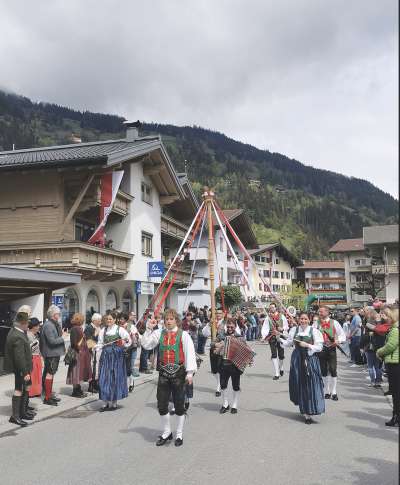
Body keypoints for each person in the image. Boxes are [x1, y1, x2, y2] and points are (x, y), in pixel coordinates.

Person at [141, 309, 196, 447]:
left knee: (179, 405)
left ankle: (179, 434)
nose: (168, 321)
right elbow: (146, 344)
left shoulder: (184, 335)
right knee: (161, 404)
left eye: (171, 319)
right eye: (166, 319)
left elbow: (190, 353)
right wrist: (148, 329)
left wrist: (190, 373)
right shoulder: (159, 333)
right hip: (164, 374)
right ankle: (167, 432)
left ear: (176, 320)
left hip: (179, 374)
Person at [280, 312, 325, 424]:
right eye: (301, 319)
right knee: (300, 384)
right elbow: (288, 343)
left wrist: (308, 345)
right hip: (297, 359)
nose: (303, 321)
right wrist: (279, 338)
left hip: (310, 359)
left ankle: (312, 408)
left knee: (312, 384)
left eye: (305, 319)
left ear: (309, 320)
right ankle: (306, 413)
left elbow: (319, 347)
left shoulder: (314, 331)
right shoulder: (294, 330)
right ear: (299, 319)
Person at [213, 318, 253, 414]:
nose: (230, 328)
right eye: (228, 326)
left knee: (236, 386)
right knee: (223, 385)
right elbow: (212, 344)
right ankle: (225, 404)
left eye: (232, 326)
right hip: (223, 364)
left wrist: (249, 359)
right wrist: (219, 344)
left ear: (235, 327)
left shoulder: (239, 337)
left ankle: (234, 404)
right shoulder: (222, 335)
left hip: (235, 365)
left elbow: (247, 350)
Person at [4, 312, 34, 427]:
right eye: (27, 323)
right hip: (21, 368)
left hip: (24, 366)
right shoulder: (17, 335)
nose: (28, 325)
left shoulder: (18, 331)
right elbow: (19, 356)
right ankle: (15, 416)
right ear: (22, 323)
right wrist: (25, 372)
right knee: (18, 389)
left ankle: (23, 412)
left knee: (27, 387)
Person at [97, 312, 131, 411]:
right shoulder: (103, 331)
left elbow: (128, 341)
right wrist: (97, 347)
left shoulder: (120, 330)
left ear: (115, 320)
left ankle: (114, 403)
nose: (109, 321)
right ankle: (105, 403)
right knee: (104, 378)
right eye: (107, 319)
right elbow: (100, 343)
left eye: (110, 319)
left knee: (115, 378)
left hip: (117, 357)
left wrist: (125, 342)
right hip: (106, 357)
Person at [313, 306, 346, 401]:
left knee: (333, 369)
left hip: (331, 348)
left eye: (321, 312)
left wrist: (337, 340)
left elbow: (342, 335)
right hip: (321, 349)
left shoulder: (334, 322)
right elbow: (312, 334)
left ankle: (334, 391)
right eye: (319, 312)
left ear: (327, 312)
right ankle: (326, 391)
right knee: (323, 370)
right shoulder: (316, 324)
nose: (320, 313)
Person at [376, 306, 399, 427]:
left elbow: (390, 345)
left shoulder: (395, 330)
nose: (386, 319)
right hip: (394, 362)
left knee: (396, 393)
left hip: (395, 364)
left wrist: (379, 351)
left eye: (388, 316)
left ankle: (396, 417)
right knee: (396, 393)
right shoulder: (394, 329)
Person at [40, 305, 66, 406]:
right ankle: (47, 397)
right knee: (49, 374)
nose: (59, 315)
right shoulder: (48, 325)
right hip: (51, 353)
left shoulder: (53, 324)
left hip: (53, 353)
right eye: (58, 314)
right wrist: (63, 337)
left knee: (50, 373)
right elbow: (52, 341)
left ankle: (49, 395)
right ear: (53, 315)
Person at [66, 313, 92, 397]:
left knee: (79, 372)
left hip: (80, 353)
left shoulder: (78, 328)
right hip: (77, 354)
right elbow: (74, 342)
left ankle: (78, 389)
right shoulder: (75, 328)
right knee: (75, 372)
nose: (83, 320)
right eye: (82, 319)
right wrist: (79, 350)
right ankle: (75, 391)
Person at [261, 303, 288, 380]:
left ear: (275, 308)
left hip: (280, 336)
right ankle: (277, 373)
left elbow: (286, 326)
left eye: (273, 307)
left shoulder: (281, 316)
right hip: (272, 337)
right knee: (274, 355)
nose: (271, 309)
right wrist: (263, 337)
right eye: (270, 308)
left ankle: (281, 367)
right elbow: (265, 328)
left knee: (281, 355)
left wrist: (282, 329)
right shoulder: (268, 318)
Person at [202, 308, 226, 396]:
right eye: (216, 313)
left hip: (222, 348)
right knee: (214, 370)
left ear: (223, 314)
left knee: (220, 368)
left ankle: (218, 387)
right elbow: (205, 333)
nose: (218, 315)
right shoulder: (212, 323)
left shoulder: (226, 323)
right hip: (212, 348)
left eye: (220, 313)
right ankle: (219, 382)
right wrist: (209, 324)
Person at [361, 307, 385, 388]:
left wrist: (362, 346)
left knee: (371, 366)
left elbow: (365, 337)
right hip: (379, 346)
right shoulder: (381, 324)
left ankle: (372, 382)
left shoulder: (368, 324)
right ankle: (378, 381)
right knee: (377, 366)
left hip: (370, 347)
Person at [85, 312, 102, 393]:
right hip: (91, 352)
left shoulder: (98, 327)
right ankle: (91, 386)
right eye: (99, 320)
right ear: (95, 320)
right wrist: (96, 334)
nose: (100, 322)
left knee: (96, 369)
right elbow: (88, 341)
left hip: (97, 351)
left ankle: (96, 384)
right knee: (92, 369)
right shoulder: (89, 328)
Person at [27, 317, 42, 398]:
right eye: (38, 325)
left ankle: (36, 391)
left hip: (37, 356)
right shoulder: (29, 335)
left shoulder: (34, 334)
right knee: (33, 375)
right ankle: (31, 392)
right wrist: (35, 343)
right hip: (33, 357)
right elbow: (29, 347)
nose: (39, 327)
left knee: (37, 375)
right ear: (34, 326)